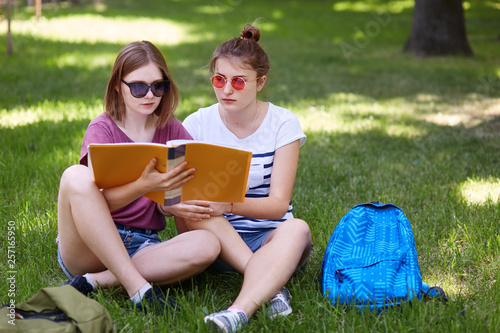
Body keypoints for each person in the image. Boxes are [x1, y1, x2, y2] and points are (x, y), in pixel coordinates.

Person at [56, 40, 220, 313]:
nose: (149, 95)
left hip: (143, 245)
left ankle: (93, 283)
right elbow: (96, 204)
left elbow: (187, 186)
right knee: (74, 175)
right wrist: (144, 186)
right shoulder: (102, 129)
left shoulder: (171, 128)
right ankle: (139, 290)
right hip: (91, 246)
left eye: (158, 86)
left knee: (207, 244)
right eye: (139, 87)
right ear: (118, 86)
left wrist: (168, 203)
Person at [173, 24, 313, 331]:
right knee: (200, 207)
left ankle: (237, 312)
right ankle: (271, 283)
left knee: (298, 228)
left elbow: (278, 206)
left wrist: (229, 205)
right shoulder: (197, 123)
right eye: (219, 80)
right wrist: (204, 207)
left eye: (239, 82)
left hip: (273, 241)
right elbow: (176, 193)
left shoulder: (283, 123)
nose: (226, 90)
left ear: (260, 82)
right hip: (216, 240)